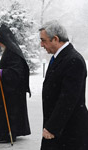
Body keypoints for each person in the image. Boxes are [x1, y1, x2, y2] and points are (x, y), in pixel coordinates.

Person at [39, 20, 88, 150]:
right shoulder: (59, 57)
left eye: (43, 40)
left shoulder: (73, 60)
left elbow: (68, 99)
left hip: (68, 129)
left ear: (55, 39)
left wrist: (52, 128)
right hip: (59, 127)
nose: (41, 44)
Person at [0, 24, 31, 143]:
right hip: (9, 89)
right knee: (5, 112)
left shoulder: (13, 52)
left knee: (10, 113)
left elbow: (17, 71)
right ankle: (5, 132)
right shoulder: (9, 51)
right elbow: (0, 69)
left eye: (0, 41)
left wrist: (3, 73)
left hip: (13, 91)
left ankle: (9, 134)